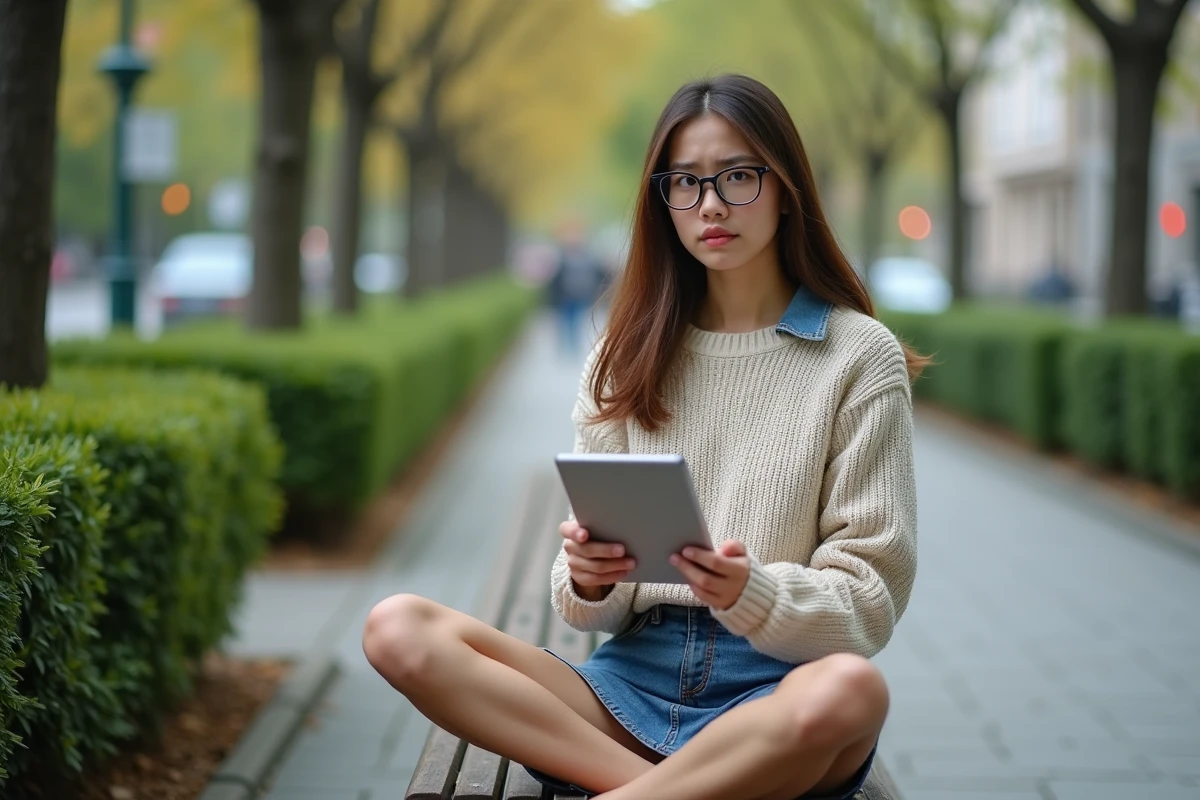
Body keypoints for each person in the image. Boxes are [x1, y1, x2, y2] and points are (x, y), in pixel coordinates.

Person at [361, 74, 923, 800]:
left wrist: (752, 591)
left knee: (853, 691)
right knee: (397, 627)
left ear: (786, 188)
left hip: (777, 699)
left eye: (738, 176)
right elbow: (581, 605)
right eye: (684, 182)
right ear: (663, 203)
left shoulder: (858, 356)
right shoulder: (625, 354)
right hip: (628, 688)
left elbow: (868, 600)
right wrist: (592, 574)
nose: (711, 204)